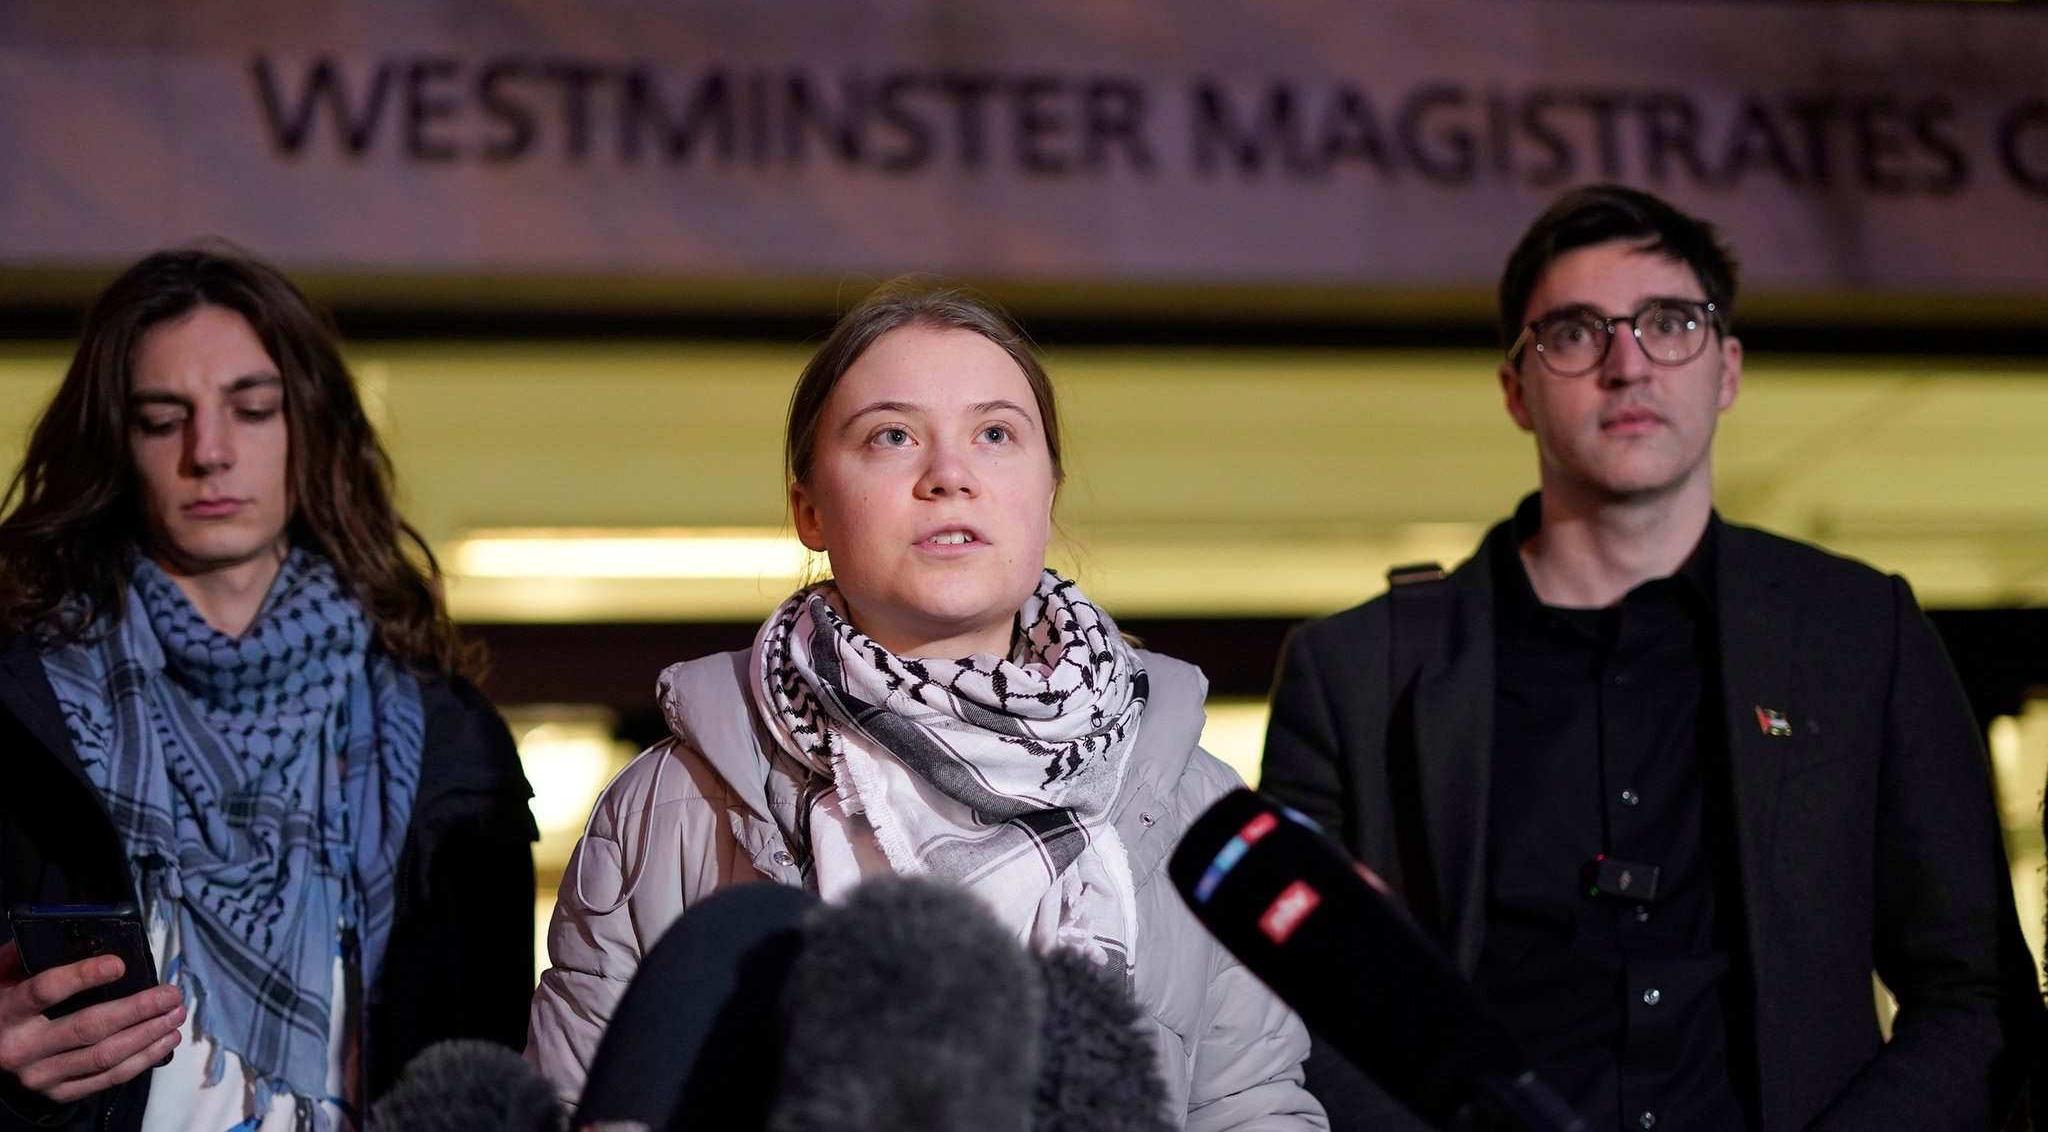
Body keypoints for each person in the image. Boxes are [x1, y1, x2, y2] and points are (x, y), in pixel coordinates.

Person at [1261, 185, 2044, 1132]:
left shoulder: (1859, 633)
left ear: (1727, 369)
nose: (1627, 364)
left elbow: (1976, 995)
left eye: (1670, 322)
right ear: (1516, 387)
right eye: (1576, 332)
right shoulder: (1357, 673)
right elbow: (1280, 1017)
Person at [527, 282, 1326, 1130]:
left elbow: (1251, 1108)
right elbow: (579, 1111)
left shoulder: (1195, 803)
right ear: (810, 510)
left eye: (995, 434)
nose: (950, 476)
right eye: (893, 436)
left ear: (1047, 492)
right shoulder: (669, 808)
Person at [0, 248, 537, 1132]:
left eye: (251, 410)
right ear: (114, 444)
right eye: (161, 419)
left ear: (310, 430)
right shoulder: (23, 717)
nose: (209, 453)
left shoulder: (445, 738)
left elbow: (490, 1070)